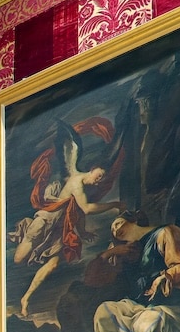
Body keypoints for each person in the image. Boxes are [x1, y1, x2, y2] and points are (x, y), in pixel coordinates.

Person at [11, 119, 125, 316]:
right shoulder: (76, 181)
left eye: (102, 178)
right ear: (92, 169)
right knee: (19, 259)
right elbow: (87, 209)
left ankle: (26, 298)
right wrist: (114, 205)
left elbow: (76, 212)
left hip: (60, 228)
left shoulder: (85, 188)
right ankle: (25, 231)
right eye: (98, 175)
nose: (99, 180)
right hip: (47, 221)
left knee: (53, 264)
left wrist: (82, 231)